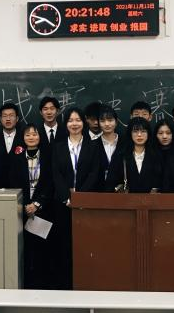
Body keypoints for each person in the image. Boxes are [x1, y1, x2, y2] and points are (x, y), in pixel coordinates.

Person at [51, 107, 100, 289]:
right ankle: (64, 285)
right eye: (71, 120)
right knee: (63, 245)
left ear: (83, 123)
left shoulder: (93, 146)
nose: (74, 124)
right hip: (63, 203)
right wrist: (67, 197)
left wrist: (80, 197)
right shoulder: (58, 147)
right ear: (66, 124)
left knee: (85, 244)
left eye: (78, 120)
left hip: (85, 203)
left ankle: (85, 283)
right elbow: (56, 174)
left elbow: (94, 173)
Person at [7, 123, 54, 289]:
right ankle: (26, 285)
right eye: (27, 135)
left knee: (43, 251)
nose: (31, 137)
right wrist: (25, 205)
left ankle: (44, 285)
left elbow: (50, 183)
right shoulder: (16, 157)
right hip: (22, 211)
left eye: (34, 134)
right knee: (24, 251)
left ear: (40, 137)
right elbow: (13, 182)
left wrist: (37, 204)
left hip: (44, 209)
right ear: (22, 138)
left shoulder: (48, 156)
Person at [111, 117, 162, 193]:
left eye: (143, 131)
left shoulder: (156, 155)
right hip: (126, 199)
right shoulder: (120, 155)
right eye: (135, 131)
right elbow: (111, 181)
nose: (139, 135)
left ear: (148, 133)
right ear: (130, 133)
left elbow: (161, 182)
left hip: (150, 199)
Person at [92, 106, 125, 191]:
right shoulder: (92, 145)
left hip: (122, 193)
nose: (106, 124)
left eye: (110, 120)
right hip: (97, 192)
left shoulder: (126, 144)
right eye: (102, 121)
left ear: (116, 122)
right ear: (99, 123)